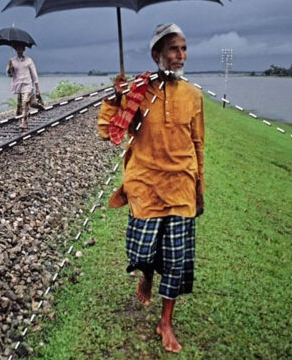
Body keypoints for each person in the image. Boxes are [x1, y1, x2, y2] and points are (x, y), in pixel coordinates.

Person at [97, 23, 204, 353]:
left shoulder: (194, 95)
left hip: (181, 187)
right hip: (145, 184)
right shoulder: (139, 91)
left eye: (184, 49)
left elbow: (198, 143)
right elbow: (106, 131)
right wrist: (117, 97)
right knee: (141, 252)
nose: (180, 55)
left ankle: (166, 322)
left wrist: (199, 188)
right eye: (174, 49)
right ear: (157, 54)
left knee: (176, 261)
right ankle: (146, 274)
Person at [6, 42, 40, 130]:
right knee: (20, 105)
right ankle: (23, 118)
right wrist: (10, 68)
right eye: (18, 49)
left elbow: (34, 74)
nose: (19, 50)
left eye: (21, 49)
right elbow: (10, 74)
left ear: (24, 50)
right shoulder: (12, 61)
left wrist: (37, 88)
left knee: (25, 102)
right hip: (18, 85)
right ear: (16, 50)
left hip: (28, 85)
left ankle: (24, 122)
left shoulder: (29, 60)